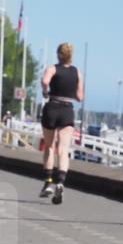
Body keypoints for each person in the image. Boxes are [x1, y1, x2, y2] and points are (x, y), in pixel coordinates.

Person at [39, 42, 83, 205]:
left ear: (58, 55)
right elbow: (80, 96)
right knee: (64, 150)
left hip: (52, 107)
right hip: (67, 110)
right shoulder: (76, 71)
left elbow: (44, 81)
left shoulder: (52, 68)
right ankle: (61, 182)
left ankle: (48, 182)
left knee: (50, 147)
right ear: (70, 56)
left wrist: (45, 91)